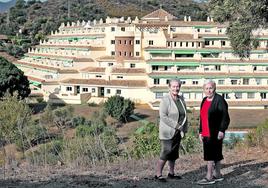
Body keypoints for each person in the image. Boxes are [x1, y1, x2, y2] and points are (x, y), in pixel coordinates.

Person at [197, 80, 230, 185]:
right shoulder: (204, 100)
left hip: (215, 133)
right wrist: (200, 132)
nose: (209, 90)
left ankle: (209, 177)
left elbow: (225, 117)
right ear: (204, 90)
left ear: (214, 88)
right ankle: (218, 175)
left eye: (210, 88)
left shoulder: (219, 100)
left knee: (211, 155)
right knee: (215, 154)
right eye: (206, 88)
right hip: (206, 133)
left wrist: (222, 130)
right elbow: (202, 117)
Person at [155, 78, 188, 182]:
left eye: (177, 86)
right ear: (169, 87)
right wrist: (177, 125)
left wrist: (184, 129)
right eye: (173, 86)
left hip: (178, 132)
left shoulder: (181, 99)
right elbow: (163, 116)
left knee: (174, 153)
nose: (176, 88)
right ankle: (158, 174)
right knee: (166, 151)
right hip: (167, 132)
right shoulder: (165, 100)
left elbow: (184, 115)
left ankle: (171, 173)